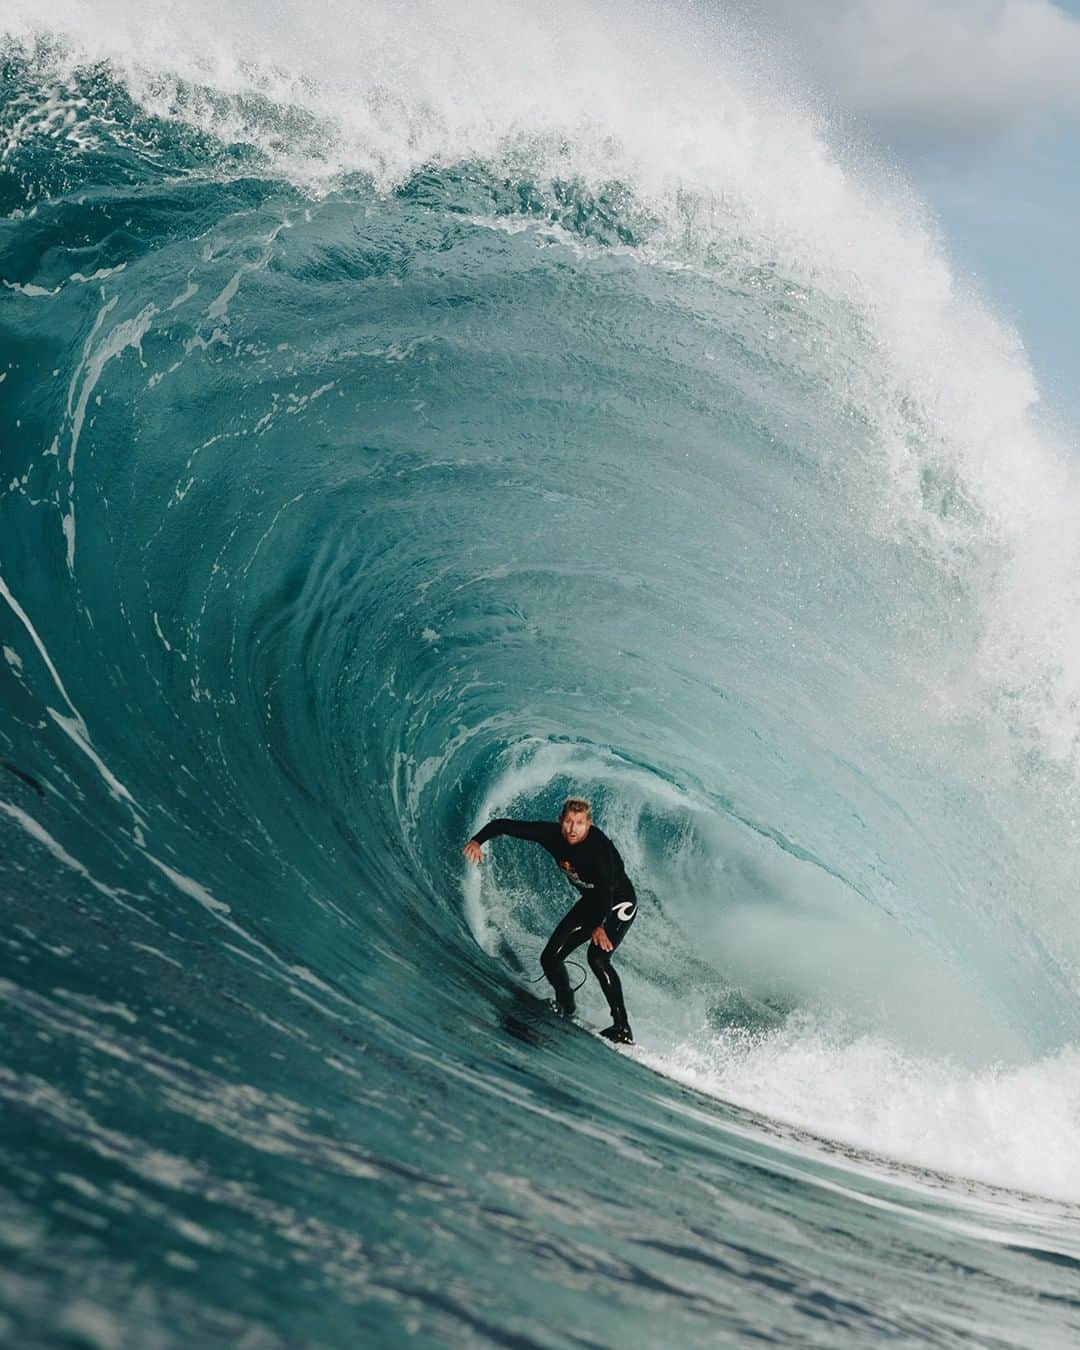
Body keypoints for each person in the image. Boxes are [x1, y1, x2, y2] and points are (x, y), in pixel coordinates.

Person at [463, 797, 637, 1044]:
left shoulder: (599, 849)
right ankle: (566, 1006)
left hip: (618, 902)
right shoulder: (551, 834)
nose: (572, 828)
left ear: (589, 824)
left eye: (579, 823)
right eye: (568, 822)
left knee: (597, 958)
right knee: (550, 958)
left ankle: (622, 1027)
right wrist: (477, 841)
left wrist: (599, 926)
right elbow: (503, 825)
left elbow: (607, 890)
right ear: (560, 821)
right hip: (591, 900)